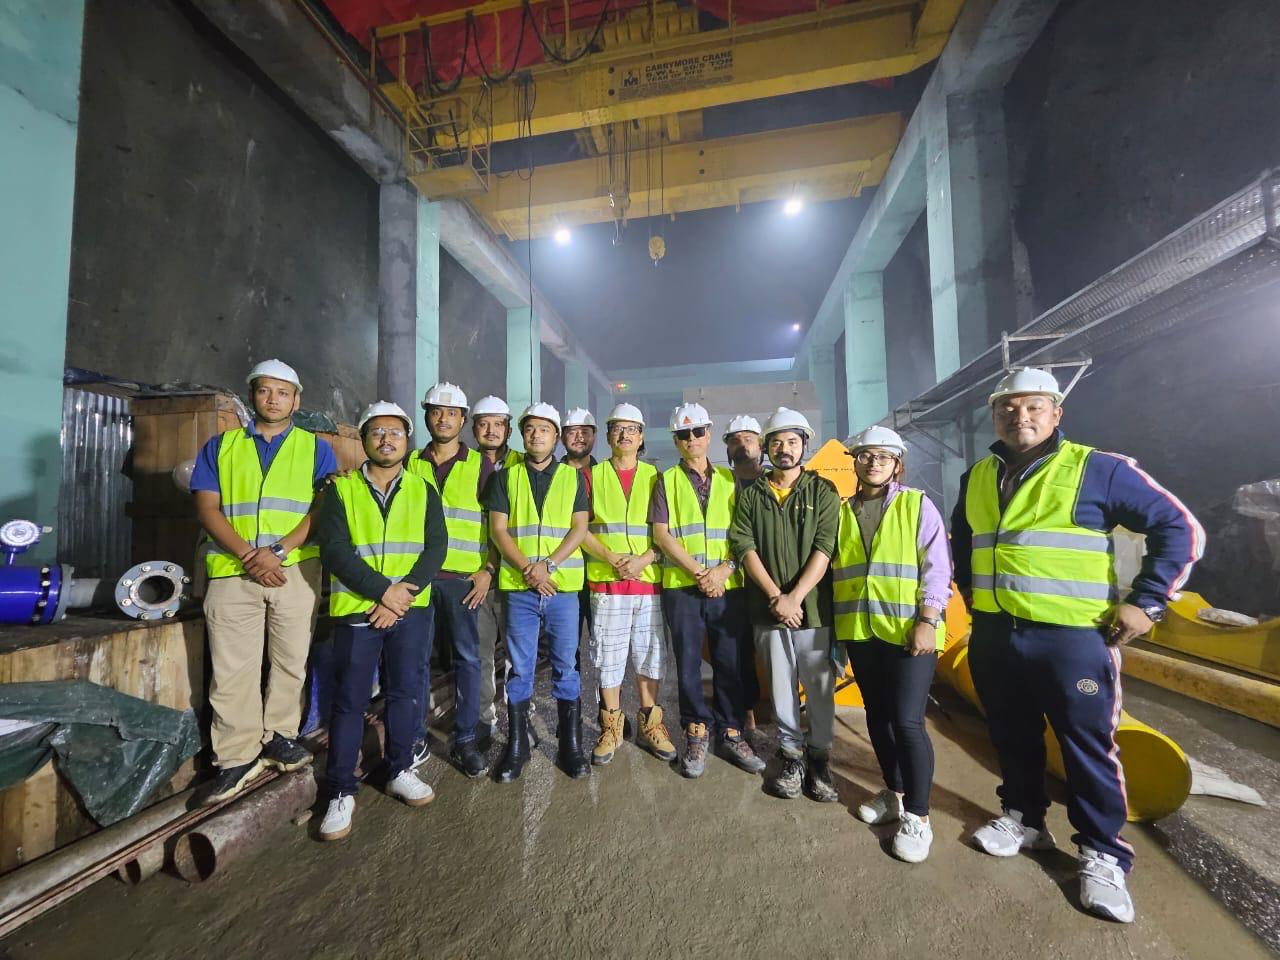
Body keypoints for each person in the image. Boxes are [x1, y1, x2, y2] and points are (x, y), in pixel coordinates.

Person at [952, 367, 1204, 923]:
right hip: (995, 633)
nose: (1019, 416)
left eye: (1033, 406)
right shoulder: (978, 476)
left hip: (1072, 637)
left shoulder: (1097, 469)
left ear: (1056, 413)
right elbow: (964, 539)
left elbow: (1179, 528)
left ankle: (1102, 852)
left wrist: (1148, 601)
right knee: (1010, 733)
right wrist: (971, 595)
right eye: (1007, 408)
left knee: (1087, 746)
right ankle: (1024, 818)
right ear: (994, 416)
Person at [192, 359, 336, 804]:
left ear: (297, 399)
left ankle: (280, 736)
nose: (273, 400)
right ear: (252, 395)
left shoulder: (316, 450)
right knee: (232, 668)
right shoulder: (221, 447)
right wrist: (248, 555)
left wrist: (278, 552)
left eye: (282, 392)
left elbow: (322, 510)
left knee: (291, 659)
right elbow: (207, 507)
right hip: (233, 571)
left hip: (293, 569)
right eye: (264, 391)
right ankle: (236, 755)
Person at [315, 402, 446, 839]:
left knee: (405, 692)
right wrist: (382, 592)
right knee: (350, 701)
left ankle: (400, 769)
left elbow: (435, 548)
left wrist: (401, 594)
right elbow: (335, 549)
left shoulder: (423, 489)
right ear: (364, 440)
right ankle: (340, 790)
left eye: (395, 433)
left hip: (409, 608)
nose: (386, 440)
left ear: (407, 440)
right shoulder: (342, 490)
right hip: (359, 607)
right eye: (377, 432)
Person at [831, 427, 951, 863]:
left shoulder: (916, 505)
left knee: (907, 722)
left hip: (908, 633)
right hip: (861, 632)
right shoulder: (842, 512)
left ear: (897, 464)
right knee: (878, 718)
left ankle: (918, 815)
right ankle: (895, 793)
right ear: (855, 462)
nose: (873, 463)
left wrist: (927, 620)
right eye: (865, 456)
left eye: (883, 456)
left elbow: (937, 566)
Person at [729, 407, 841, 802]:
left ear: (804, 445)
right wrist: (776, 597)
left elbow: (825, 546)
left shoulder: (823, 491)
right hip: (769, 610)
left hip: (813, 609)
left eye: (792, 441)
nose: (784, 449)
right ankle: (791, 756)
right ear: (766, 448)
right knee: (780, 688)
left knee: (819, 687)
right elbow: (744, 546)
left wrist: (795, 597)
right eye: (776, 442)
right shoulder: (752, 495)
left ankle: (820, 758)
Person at [651, 402, 764, 779]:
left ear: (709, 434)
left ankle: (731, 729)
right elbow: (662, 535)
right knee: (687, 663)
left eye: (698, 431)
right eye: (683, 434)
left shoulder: (732, 482)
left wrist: (724, 570)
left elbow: (744, 532)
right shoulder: (666, 481)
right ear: (676, 440)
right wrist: (702, 573)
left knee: (729, 661)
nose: (692, 439)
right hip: (684, 587)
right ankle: (696, 729)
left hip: (727, 587)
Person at [486, 402, 591, 782]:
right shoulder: (505, 478)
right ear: (522, 434)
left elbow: (579, 528)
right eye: (529, 429)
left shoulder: (572, 478)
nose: (536, 435)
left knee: (566, 665)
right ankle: (517, 747)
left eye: (544, 429)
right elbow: (498, 530)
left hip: (562, 588)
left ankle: (570, 746)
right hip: (520, 588)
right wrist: (529, 570)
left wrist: (549, 566)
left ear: (556, 436)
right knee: (520, 668)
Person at [405, 382, 497, 778]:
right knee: (415, 659)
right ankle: (414, 737)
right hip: (418, 579)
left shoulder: (481, 466)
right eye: (436, 412)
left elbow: (498, 525)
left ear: (462, 421)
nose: (443, 419)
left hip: (463, 580)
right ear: (427, 416)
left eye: (451, 413)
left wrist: (488, 571)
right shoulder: (410, 463)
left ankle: (465, 740)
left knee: (468, 659)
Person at [579, 403, 675, 765]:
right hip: (608, 583)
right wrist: (610, 558)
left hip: (647, 582)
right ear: (607, 436)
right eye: (618, 429)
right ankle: (612, 727)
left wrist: (644, 559)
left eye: (631, 429)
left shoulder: (656, 477)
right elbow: (580, 529)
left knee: (650, 656)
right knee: (608, 658)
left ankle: (651, 723)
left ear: (641, 436)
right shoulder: (591, 476)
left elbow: (668, 531)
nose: (624, 435)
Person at [470, 394, 517, 745]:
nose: (490, 430)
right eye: (483, 424)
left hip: (514, 573)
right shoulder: (465, 465)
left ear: (508, 429)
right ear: (473, 429)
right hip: (476, 575)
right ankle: (485, 718)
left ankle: (519, 713)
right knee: (481, 651)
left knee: (517, 652)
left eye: (498, 424)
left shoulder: (523, 465)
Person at [723, 414, 765, 730]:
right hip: (735, 580)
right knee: (739, 649)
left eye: (748, 439)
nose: (742, 445)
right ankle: (746, 709)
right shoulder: (723, 483)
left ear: (761, 445)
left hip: (771, 577)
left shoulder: (774, 481)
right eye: (735, 440)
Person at [561, 407, 599, 649]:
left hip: (599, 570)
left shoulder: (605, 474)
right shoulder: (551, 475)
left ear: (594, 436)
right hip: (563, 571)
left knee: (603, 646)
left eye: (585, 432)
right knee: (565, 647)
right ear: (561, 436)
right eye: (572, 432)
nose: (579, 437)